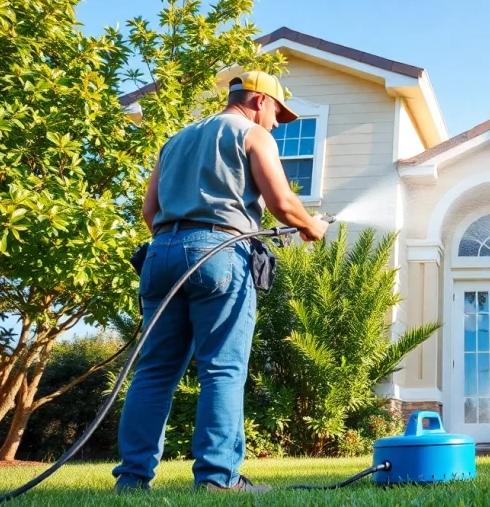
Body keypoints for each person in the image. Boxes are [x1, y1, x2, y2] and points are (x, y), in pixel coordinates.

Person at [113, 71, 330, 492]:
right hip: (219, 254)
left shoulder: (175, 140)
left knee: (154, 372)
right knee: (222, 370)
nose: (274, 125)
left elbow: (149, 210)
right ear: (259, 101)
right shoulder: (251, 134)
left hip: (161, 254)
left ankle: (132, 480)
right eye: (276, 114)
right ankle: (217, 478)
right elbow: (282, 202)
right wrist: (311, 226)